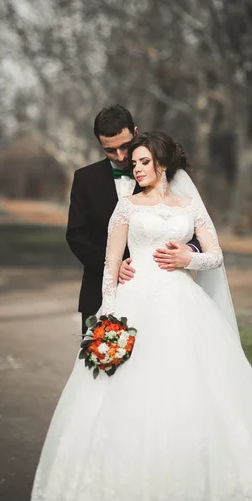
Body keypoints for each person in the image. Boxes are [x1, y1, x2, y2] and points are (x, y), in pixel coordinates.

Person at [29, 131, 252, 501]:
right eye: (135, 163)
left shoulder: (189, 207)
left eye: (144, 161)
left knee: (193, 387)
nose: (137, 168)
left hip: (184, 306)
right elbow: (110, 268)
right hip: (134, 306)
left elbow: (215, 256)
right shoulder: (126, 207)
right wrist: (108, 319)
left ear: (162, 164)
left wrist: (187, 259)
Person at [66, 104, 199, 334]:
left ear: (135, 132)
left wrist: (187, 253)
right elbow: (76, 235)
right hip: (98, 291)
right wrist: (112, 267)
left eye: (125, 147)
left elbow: (196, 231)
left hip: (162, 295)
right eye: (110, 150)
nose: (120, 156)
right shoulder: (84, 179)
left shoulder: (164, 174)